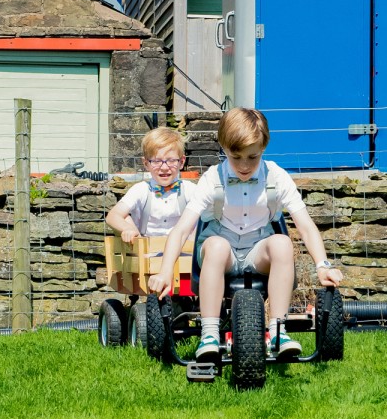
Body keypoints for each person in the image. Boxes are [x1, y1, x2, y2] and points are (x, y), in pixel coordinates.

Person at [148, 107, 343, 362]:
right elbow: (182, 228)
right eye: (235, 156)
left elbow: (305, 225)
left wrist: (323, 265)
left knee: (283, 243)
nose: (243, 165)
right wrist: (164, 272)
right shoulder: (212, 178)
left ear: (264, 147)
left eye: (252, 157)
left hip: (258, 248)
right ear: (224, 148)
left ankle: (278, 330)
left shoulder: (276, 176)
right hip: (221, 248)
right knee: (217, 246)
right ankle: (209, 333)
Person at [105, 127, 199, 244]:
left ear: (181, 162)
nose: (164, 167)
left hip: (183, 251)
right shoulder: (141, 190)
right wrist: (128, 229)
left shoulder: (190, 189)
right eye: (156, 161)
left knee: (201, 217)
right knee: (124, 217)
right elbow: (112, 215)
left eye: (171, 160)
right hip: (147, 251)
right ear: (146, 164)